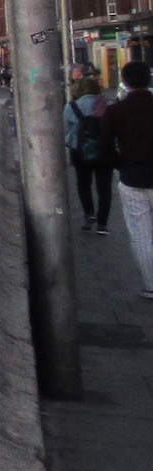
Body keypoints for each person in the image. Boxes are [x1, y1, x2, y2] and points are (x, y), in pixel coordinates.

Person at [98, 59, 153, 299]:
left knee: (141, 233)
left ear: (124, 82)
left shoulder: (115, 111)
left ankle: (150, 285)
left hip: (132, 177)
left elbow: (105, 146)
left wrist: (121, 164)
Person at [63, 75, 113, 234]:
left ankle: (89, 214)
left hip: (79, 151)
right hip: (104, 150)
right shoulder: (107, 105)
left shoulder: (71, 107)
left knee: (83, 183)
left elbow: (66, 133)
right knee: (104, 187)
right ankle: (102, 224)